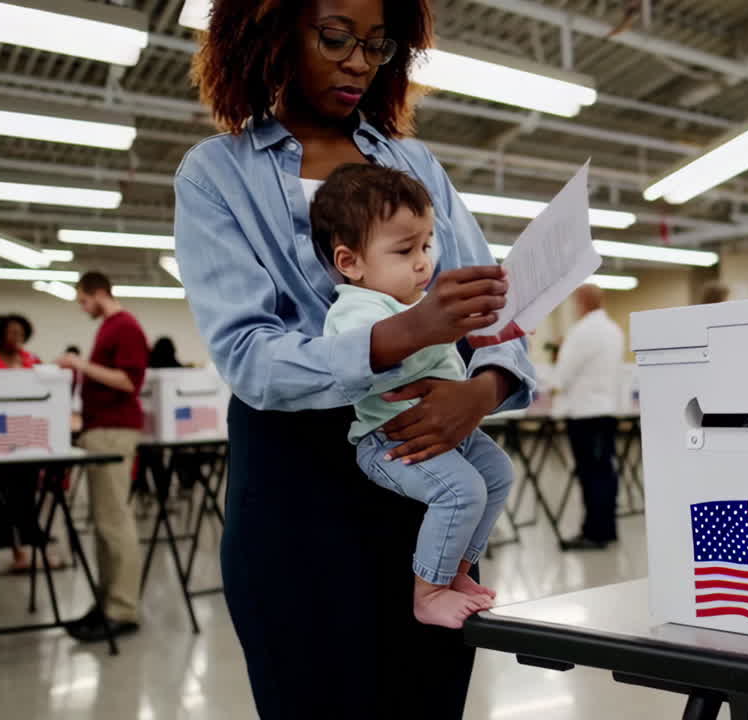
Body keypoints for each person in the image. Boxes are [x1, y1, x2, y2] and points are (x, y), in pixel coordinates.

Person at [174, 1, 533, 716]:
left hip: (426, 472)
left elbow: (490, 305)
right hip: (297, 491)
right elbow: (249, 356)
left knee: (426, 695)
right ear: (269, 35)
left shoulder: (413, 163)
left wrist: (482, 393)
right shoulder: (217, 174)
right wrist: (406, 333)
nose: (359, 63)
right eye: (335, 38)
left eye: (376, 45)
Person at [314, 163, 512, 627]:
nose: (423, 261)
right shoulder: (355, 311)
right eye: (405, 250)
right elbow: (362, 371)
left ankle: (456, 570)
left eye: (425, 245)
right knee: (462, 493)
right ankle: (429, 591)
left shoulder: (412, 302)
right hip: (388, 439)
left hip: (444, 430)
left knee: (498, 474)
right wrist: (428, 329)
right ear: (351, 263)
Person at [56, 271, 149, 641]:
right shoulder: (110, 327)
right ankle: (107, 601)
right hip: (99, 430)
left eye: (82, 300)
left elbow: (129, 382)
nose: (82, 308)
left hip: (113, 430)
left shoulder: (125, 326)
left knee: (114, 521)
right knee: (103, 522)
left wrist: (80, 366)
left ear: (98, 293)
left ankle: (122, 609)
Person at [0, 314, 62, 573]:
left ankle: (30, 549)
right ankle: (12, 548)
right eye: (11, 332)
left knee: (26, 496)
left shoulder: (33, 362)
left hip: (26, 436)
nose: (16, 337)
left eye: (20, 333)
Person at [555, 284, 625, 550]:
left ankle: (594, 533)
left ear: (581, 302)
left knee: (590, 475)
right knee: (606, 472)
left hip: (584, 413)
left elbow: (564, 374)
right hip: (607, 410)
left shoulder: (582, 331)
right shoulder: (614, 330)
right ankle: (607, 529)